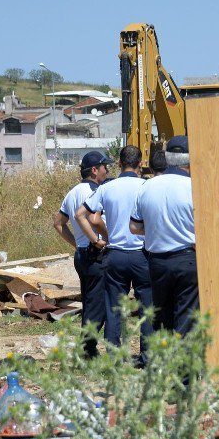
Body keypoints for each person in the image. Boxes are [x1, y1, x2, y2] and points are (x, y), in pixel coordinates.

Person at [75, 145, 153, 354]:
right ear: (141, 164)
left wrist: (99, 239)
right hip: (141, 255)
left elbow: (84, 215)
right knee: (146, 307)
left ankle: (113, 356)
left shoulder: (107, 188)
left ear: (119, 164)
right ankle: (147, 357)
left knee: (114, 308)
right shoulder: (146, 186)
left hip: (115, 254)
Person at [130, 136, 198, 336]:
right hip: (187, 260)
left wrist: (156, 228)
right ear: (190, 159)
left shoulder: (147, 187)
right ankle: (184, 365)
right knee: (187, 315)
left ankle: (166, 361)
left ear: (167, 158)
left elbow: (134, 227)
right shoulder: (195, 187)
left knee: (164, 316)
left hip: (157, 262)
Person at [53, 151, 110, 356]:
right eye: (105, 167)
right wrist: (97, 240)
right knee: (98, 304)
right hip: (96, 252)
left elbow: (58, 224)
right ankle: (87, 349)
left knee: (89, 301)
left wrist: (77, 244)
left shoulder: (72, 192)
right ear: (94, 170)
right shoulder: (96, 192)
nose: (107, 170)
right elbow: (90, 218)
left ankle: (87, 347)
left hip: (82, 255)